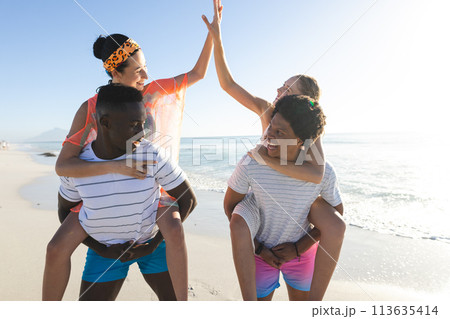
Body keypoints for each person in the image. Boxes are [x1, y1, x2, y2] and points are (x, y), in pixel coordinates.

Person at [46, 1, 222, 300]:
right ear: (115, 72)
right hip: (109, 209)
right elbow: (65, 165)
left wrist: (214, 34)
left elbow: (198, 74)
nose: (145, 76)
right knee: (58, 251)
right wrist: (115, 168)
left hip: (150, 204)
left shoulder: (153, 92)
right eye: (138, 70)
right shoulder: (92, 109)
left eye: (146, 68)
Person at [203, 4, 346, 300]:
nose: (278, 93)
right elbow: (227, 84)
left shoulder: (309, 135)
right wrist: (218, 40)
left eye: (287, 91)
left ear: (306, 105)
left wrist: (266, 160)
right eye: (280, 87)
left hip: (297, 209)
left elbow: (317, 174)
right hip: (265, 203)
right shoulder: (268, 111)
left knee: (331, 222)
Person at [44, 84, 196, 301]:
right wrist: (101, 249)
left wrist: (152, 245)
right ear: (105, 123)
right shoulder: (78, 167)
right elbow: (65, 212)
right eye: (134, 125)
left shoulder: (150, 155)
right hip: (106, 253)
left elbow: (188, 198)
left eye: (143, 124)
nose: (141, 132)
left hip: (152, 247)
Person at [224, 95, 343, 300]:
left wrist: (300, 246)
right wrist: (259, 248)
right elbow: (231, 207)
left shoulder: (323, 173)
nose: (269, 134)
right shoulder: (252, 162)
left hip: (302, 256)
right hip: (260, 254)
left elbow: (337, 216)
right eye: (271, 125)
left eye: (280, 132)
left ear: (301, 141)